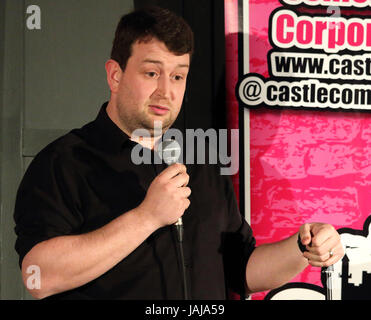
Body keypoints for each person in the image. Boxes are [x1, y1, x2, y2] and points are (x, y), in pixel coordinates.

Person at [14, 6, 344, 300]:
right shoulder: (64, 162)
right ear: (115, 75)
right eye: (152, 73)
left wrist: (303, 246)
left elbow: (242, 271)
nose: (166, 91)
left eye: (177, 76)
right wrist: (147, 217)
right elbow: (39, 278)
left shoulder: (201, 162)